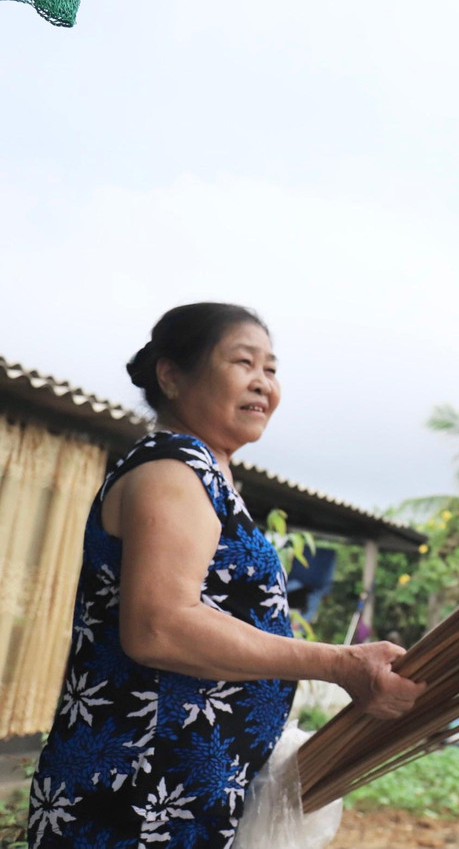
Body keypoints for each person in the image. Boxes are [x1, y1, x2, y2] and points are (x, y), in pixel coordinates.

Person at [26, 303, 427, 849]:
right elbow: (160, 627)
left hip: (181, 794)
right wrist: (338, 663)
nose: (263, 383)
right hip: (138, 799)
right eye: (244, 362)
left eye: (272, 369)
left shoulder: (207, 476)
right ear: (171, 375)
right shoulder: (172, 471)